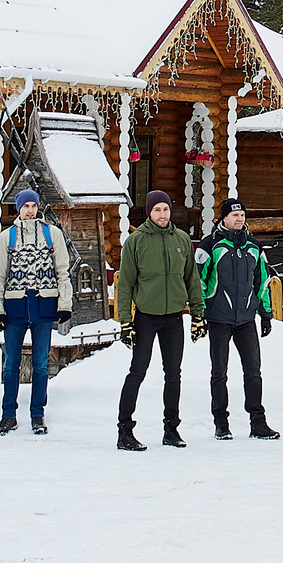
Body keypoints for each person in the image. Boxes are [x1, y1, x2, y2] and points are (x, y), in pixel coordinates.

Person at [115, 189, 203, 450]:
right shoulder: (136, 241)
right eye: (157, 210)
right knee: (137, 372)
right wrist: (125, 321)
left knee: (173, 374)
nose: (162, 214)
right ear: (149, 212)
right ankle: (124, 431)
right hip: (146, 317)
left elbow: (192, 279)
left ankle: (171, 430)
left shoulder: (182, 239)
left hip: (174, 317)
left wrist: (198, 314)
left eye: (165, 209)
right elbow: (126, 284)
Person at [0, 188, 72, 436]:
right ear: (18, 209)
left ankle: (37, 413)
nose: (30, 210)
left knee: (40, 365)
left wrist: (64, 304)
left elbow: (63, 272)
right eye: (25, 206)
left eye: (33, 206)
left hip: (43, 306)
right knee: (11, 365)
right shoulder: (7, 238)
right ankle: (8, 415)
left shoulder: (52, 235)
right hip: (15, 306)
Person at [199, 197, 278, 441]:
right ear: (223, 217)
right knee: (219, 372)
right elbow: (198, 282)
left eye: (242, 214)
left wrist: (265, 314)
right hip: (219, 317)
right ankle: (221, 423)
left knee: (253, 371)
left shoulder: (253, 245)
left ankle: (258, 422)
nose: (239, 218)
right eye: (234, 215)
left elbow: (262, 282)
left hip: (246, 319)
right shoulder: (209, 244)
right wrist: (199, 314)